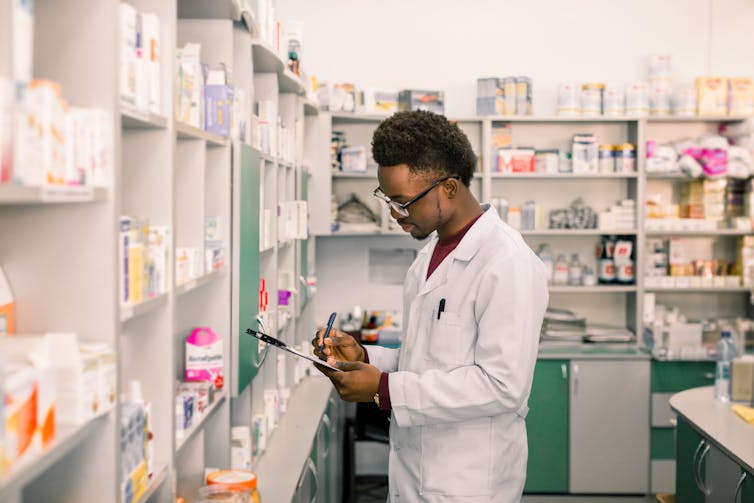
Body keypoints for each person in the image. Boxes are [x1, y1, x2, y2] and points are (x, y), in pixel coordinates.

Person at [313, 110, 548, 502]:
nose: (394, 213)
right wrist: (366, 357)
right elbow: (429, 359)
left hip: (468, 482)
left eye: (403, 202)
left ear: (450, 188)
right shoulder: (428, 256)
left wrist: (384, 389)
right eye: (387, 199)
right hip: (413, 475)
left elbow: (503, 386)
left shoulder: (507, 263)